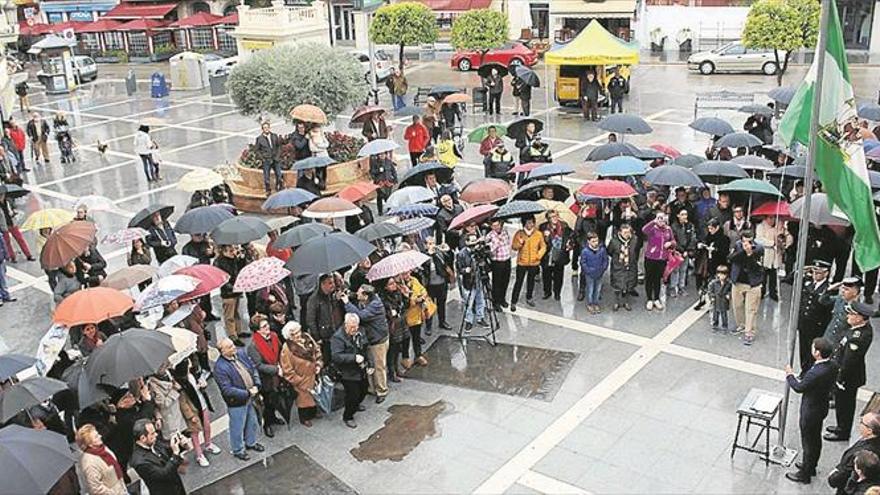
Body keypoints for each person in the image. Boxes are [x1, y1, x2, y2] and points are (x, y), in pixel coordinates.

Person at [784, 337, 839, 484]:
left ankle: (804, 474)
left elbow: (799, 387)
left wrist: (789, 375)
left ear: (817, 353)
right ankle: (811, 465)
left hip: (810, 411)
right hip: (821, 407)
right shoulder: (833, 365)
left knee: (808, 442)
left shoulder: (815, 373)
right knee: (815, 440)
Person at [826, 302, 875, 442]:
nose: (848, 315)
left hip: (848, 377)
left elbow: (849, 363)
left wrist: (839, 379)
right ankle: (840, 425)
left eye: (852, 314)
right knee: (841, 403)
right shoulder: (855, 328)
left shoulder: (859, 337)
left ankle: (843, 432)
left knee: (845, 405)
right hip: (846, 374)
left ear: (860, 318)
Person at [214, 338, 265, 460]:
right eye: (230, 347)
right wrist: (247, 393)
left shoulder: (241, 353)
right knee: (237, 426)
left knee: (251, 421)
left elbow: (252, 368)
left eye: (233, 345)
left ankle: (250, 443)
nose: (234, 348)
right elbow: (227, 390)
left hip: (250, 396)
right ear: (222, 351)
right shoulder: (220, 368)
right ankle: (238, 449)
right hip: (237, 402)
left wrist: (257, 384)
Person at [342, 284, 390, 403]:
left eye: (359, 293)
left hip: (378, 341)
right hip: (369, 339)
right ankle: (372, 388)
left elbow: (360, 316)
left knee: (379, 366)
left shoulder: (376, 305)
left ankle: (381, 391)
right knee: (370, 365)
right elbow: (355, 296)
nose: (356, 294)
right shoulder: (366, 300)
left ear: (365, 295)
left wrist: (347, 303)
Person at [171, 358, 219, 468]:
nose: (190, 362)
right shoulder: (181, 383)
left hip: (202, 405)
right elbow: (183, 403)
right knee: (195, 433)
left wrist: (201, 385)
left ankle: (208, 444)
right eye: (188, 361)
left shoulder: (191, 375)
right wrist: (190, 416)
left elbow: (196, 388)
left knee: (207, 426)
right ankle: (199, 455)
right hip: (193, 410)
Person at [246, 315, 284, 438]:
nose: (267, 327)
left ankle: (273, 418)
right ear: (257, 330)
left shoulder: (274, 336)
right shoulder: (253, 346)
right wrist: (276, 369)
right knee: (267, 403)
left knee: (275, 400)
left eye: (267, 325)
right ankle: (267, 423)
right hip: (265, 379)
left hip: (277, 375)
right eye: (264, 326)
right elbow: (258, 365)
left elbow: (280, 350)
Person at [280, 321, 322, 426]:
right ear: (289, 336)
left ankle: (313, 412)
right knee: (303, 401)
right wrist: (299, 380)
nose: (298, 335)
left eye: (298, 331)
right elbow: (287, 370)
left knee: (314, 396)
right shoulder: (287, 349)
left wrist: (318, 364)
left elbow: (317, 350)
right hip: (301, 380)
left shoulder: (307, 337)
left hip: (313, 374)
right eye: (294, 334)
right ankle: (304, 418)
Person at [332, 313, 370, 429]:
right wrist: (353, 358)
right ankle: (348, 416)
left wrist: (370, 364)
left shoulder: (360, 331)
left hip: (361, 369)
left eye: (356, 326)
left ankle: (356, 405)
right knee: (352, 395)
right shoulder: (338, 337)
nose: (354, 329)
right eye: (351, 327)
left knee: (364, 389)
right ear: (345, 324)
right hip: (347, 372)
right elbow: (336, 356)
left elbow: (366, 348)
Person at [129, 419, 187, 495]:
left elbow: (166, 450)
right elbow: (163, 474)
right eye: (152, 433)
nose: (156, 434)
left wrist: (179, 444)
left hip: (177, 486)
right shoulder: (140, 462)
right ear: (143, 438)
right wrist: (175, 454)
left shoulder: (152, 441)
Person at [829, 412, 880, 494]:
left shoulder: (863, 454)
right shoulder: (871, 440)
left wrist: (833, 476)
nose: (859, 424)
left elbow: (846, 473)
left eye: (862, 422)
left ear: (869, 431)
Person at [728, 231, 764, 345]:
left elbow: (755, 265)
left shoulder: (758, 248)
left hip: (752, 283)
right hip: (738, 281)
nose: (746, 243)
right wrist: (743, 251)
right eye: (744, 240)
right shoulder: (737, 245)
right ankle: (741, 325)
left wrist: (750, 254)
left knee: (751, 309)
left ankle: (750, 331)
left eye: (748, 241)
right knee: (737, 305)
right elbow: (731, 258)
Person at [797, 261, 834, 372]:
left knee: (814, 351)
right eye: (814, 272)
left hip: (817, 326)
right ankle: (804, 370)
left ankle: (811, 371)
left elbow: (827, 307)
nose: (815, 275)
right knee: (803, 349)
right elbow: (789, 279)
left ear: (826, 274)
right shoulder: (808, 283)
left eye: (818, 273)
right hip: (804, 323)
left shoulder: (829, 289)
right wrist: (803, 271)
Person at [77, 424, 128, 495]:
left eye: (98, 434)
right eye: (96, 437)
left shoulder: (102, 448)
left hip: (121, 489)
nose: (100, 436)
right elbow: (96, 489)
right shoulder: (90, 463)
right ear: (90, 444)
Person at [306, 273, 345, 365]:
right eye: (330, 283)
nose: (333, 285)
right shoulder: (313, 300)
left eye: (333, 283)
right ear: (322, 284)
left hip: (338, 330)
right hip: (325, 335)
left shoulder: (334, 294)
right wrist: (317, 337)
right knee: (327, 358)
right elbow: (310, 320)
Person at [510, 216, 546, 312]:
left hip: (534, 263)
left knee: (531, 281)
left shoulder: (538, 234)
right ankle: (514, 301)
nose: (529, 225)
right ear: (524, 223)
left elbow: (543, 246)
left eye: (531, 222)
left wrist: (538, 256)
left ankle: (529, 297)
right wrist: (520, 243)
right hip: (522, 262)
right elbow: (514, 247)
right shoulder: (519, 234)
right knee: (519, 282)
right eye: (527, 223)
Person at [642, 212, 676, 311]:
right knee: (649, 278)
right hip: (650, 257)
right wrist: (654, 221)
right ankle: (649, 299)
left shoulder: (668, 229)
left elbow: (673, 241)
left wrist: (670, 243)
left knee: (658, 279)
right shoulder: (653, 228)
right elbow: (644, 230)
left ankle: (656, 298)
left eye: (663, 219)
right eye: (659, 219)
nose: (661, 221)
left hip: (662, 258)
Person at [214, 245, 247, 346]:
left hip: (236, 290)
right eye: (231, 250)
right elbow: (221, 279)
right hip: (228, 293)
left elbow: (240, 270)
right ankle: (232, 335)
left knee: (236, 313)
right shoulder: (219, 262)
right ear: (224, 251)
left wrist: (242, 259)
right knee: (229, 315)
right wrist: (232, 287)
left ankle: (238, 331)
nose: (234, 252)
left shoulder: (234, 259)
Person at [455, 234, 489, 331]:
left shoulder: (478, 252)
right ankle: (468, 321)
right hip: (469, 282)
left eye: (475, 241)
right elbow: (459, 269)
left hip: (479, 281)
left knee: (481, 301)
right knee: (469, 304)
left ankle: (480, 317)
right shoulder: (461, 254)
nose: (474, 244)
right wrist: (466, 270)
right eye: (472, 241)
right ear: (467, 242)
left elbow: (485, 264)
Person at [540, 210, 574, 301]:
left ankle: (557, 293)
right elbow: (540, 242)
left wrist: (570, 244)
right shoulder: (543, 227)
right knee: (546, 274)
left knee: (558, 275)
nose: (554, 218)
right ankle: (547, 291)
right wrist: (545, 237)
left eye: (555, 216)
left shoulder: (564, 226)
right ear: (548, 219)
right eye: (551, 217)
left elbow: (572, 236)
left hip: (560, 255)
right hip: (548, 255)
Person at [422, 237, 453, 331]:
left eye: (433, 243)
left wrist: (448, 251)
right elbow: (424, 268)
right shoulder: (424, 256)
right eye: (429, 243)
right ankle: (428, 326)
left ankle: (442, 322)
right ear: (425, 245)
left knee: (441, 304)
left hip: (441, 283)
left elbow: (449, 260)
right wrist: (429, 255)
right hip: (430, 285)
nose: (432, 245)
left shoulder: (439, 253)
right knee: (429, 306)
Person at [822, 277, 863, 347]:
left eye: (846, 289)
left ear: (855, 292)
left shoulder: (858, 310)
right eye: (842, 288)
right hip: (827, 338)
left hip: (839, 344)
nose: (843, 291)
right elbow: (823, 301)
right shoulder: (840, 299)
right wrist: (829, 290)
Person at [606, 223, 638, 311]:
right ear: (620, 232)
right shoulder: (614, 241)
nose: (627, 234)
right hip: (618, 267)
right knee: (617, 286)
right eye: (625, 232)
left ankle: (626, 302)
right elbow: (609, 251)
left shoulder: (634, 240)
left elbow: (637, 250)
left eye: (628, 232)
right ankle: (617, 302)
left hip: (630, 267)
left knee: (628, 285)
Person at [669, 208, 696, 298]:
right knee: (675, 270)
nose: (685, 216)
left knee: (683, 270)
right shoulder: (674, 226)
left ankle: (681, 287)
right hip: (677, 251)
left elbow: (693, 238)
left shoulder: (690, 226)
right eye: (682, 214)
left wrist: (688, 250)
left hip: (686, 252)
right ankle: (673, 287)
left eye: (686, 214)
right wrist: (680, 250)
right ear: (678, 215)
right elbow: (673, 239)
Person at [0, 191, 34, 262]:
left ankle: (28, 255)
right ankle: (12, 257)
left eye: (2, 195)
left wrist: (13, 213)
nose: (2, 197)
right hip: (4, 226)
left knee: (20, 239)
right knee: (7, 242)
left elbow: (10, 212)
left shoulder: (7, 202)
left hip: (12, 223)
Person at [580, 232, 609, 314]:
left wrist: (603, 268)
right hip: (590, 274)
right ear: (588, 241)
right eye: (593, 241)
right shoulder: (585, 251)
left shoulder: (602, 250)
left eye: (596, 241)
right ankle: (590, 304)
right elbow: (583, 263)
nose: (595, 243)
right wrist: (588, 271)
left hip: (599, 273)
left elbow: (605, 260)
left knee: (598, 289)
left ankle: (596, 303)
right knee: (590, 289)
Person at [485, 219, 511, 310]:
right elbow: (490, 250)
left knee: (506, 280)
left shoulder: (505, 232)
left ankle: (502, 299)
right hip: (497, 262)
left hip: (507, 259)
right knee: (497, 282)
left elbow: (508, 243)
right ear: (491, 226)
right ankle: (496, 302)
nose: (497, 227)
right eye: (494, 226)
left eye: (498, 225)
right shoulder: (490, 236)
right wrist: (496, 242)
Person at [755, 215, 782, 301]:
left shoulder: (779, 225)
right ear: (766, 218)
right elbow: (759, 240)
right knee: (763, 275)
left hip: (775, 255)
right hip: (765, 254)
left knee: (773, 275)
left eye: (773, 218)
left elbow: (785, 236)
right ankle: (761, 292)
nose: (772, 220)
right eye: (770, 218)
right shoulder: (760, 227)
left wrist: (782, 241)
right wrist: (772, 243)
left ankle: (773, 293)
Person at [255, 121, 282, 196]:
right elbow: (257, 150)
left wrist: (278, 156)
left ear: (269, 128)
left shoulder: (274, 136)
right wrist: (262, 158)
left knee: (279, 175)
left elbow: (279, 146)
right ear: (262, 129)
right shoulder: (259, 139)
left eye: (267, 127)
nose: (266, 129)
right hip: (266, 160)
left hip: (275, 159)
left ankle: (278, 187)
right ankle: (268, 190)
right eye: (264, 128)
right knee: (266, 177)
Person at [370, 151, 397, 215]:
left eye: (383, 154)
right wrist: (379, 170)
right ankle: (380, 211)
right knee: (380, 196)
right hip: (380, 182)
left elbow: (393, 171)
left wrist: (395, 179)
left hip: (388, 181)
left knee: (388, 196)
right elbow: (372, 172)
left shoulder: (389, 161)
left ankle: (389, 209)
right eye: (380, 154)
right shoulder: (375, 162)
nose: (382, 156)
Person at [707, 265, 732, 332]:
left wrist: (729, 295)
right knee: (715, 314)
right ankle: (715, 325)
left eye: (724, 274)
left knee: (724, 315)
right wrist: (712, 297)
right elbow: (710, 290)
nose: (722, 276)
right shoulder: (713, 283)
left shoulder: (728, 283)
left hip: (724, 301)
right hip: (716, 300)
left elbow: (730, 291)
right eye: (720, 274)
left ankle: (725, 326)